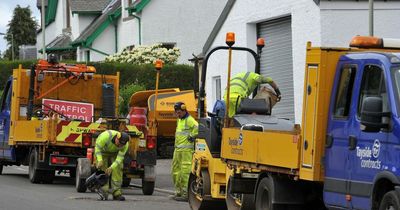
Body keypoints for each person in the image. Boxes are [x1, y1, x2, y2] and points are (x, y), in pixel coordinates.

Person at [171, 102, 198, 201]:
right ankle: (178, 192)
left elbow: (198, 128)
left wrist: (192, 136)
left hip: (186, 151)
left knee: (185, 172)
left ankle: (186, 194)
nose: (178, 115)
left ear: (184, 110)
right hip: (178, 150)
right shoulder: (179, 120)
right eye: (176, 113)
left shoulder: (190, 120)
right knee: (175, 171)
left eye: (179, 112)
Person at [95, 130, 130, 201]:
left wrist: (111, 167)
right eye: (119, 143)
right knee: (102, 170)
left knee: (118, 168)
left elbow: (119, 159)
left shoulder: (125, 145)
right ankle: (104, 192)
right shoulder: (105, 137)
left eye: (122, 145)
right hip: (103, 152)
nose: (120, 146)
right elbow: (97, 149)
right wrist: (99, 160)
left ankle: (117, 192)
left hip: (115, 153)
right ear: (117, 138)